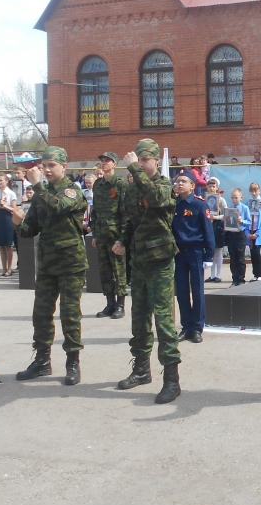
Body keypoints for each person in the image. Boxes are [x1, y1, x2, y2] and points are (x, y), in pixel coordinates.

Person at [10, 146, 89, 386]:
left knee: (69, 314)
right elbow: (30, 230)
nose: (45, 169)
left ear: (63, 167)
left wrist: (36, 185)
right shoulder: (41, 194)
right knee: (41, 314)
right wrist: (17, 221)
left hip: (70, 263)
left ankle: (72, 362)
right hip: (47, 263)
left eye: (51, 165)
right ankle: (42, 361)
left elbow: (58, 206)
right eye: (44, 165)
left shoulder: (73, 191)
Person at [112, 139, 183, 403]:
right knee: (139, 317)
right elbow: (132, 221)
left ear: (155, 161)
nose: (140, 163)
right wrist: (122, 239)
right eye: (138, 159)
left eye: (145, 160)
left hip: (161, 262)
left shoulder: (164, 185)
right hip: (139, 261)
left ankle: (172, 381)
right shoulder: (133, 188)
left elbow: (155, 200)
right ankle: (141, 370)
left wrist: (134, 171)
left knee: (163, 321)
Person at [172, 169, 215, 343]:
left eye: (184, 181)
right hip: (178, 253)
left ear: (192, 185)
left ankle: (197, 327)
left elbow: (208, 231)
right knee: (181, 292)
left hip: (196, 252)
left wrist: (209, 256)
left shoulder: (200, 204)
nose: (180, 184)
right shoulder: (174, 204)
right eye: (177, 181)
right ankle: (186, 326)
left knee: (197, 291)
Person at [89, 151, 128, 319]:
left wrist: (123, 238)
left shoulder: (120, 184)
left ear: (115, 164)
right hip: (102, 234)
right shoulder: (98, 185)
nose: (103, 163)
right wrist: (95, 234)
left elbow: (125, 213)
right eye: (102, 160)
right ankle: (109, 303)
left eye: (107, 161)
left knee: (118, 270)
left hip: (115, 235)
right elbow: (95, 211)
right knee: (104, 271)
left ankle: (120, 305)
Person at [225, 187, 251, 286]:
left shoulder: (244, 208)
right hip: (231, 233)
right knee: (233, 258)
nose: (234, 199)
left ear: (241, 197)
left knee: (240, 257)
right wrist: (225, 220)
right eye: (232, 197)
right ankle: (234, 279)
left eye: (236, 197)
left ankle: (241, 279)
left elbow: (249, 222)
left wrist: (241, 220)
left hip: (240, 234)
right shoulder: (230, 208)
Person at [0, 175, 17, 277]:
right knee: (1, 245)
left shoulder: (11, 193)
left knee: (8, 245)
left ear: (6, 181)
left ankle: (10, 268)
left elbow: (14, 209)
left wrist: (4, 206)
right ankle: (4, 268)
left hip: (7, 218)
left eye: (1, 180)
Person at [205, 177, 226, 283]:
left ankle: (218, 274)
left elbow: (226, 214)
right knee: (211, 251)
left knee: (218, 250)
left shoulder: (221, 200)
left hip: (217, 226)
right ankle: (212, 275)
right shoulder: (204, 199)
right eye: (210, 186)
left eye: (214, 186)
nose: (212, 188)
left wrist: (215, 217)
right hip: (208, 225)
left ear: (217, 187)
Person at [247, 182, 261, 281]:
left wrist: (258, 233)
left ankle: (260, 274)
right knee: (252, 252)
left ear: (259, 191)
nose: (254, 193)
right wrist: (247, 232)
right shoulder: (248, 203)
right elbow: (246, 217)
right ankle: (255, 274)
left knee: (256, 251)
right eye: (252, 191)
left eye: (256, 191)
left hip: (258, 231)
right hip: (250, 230)